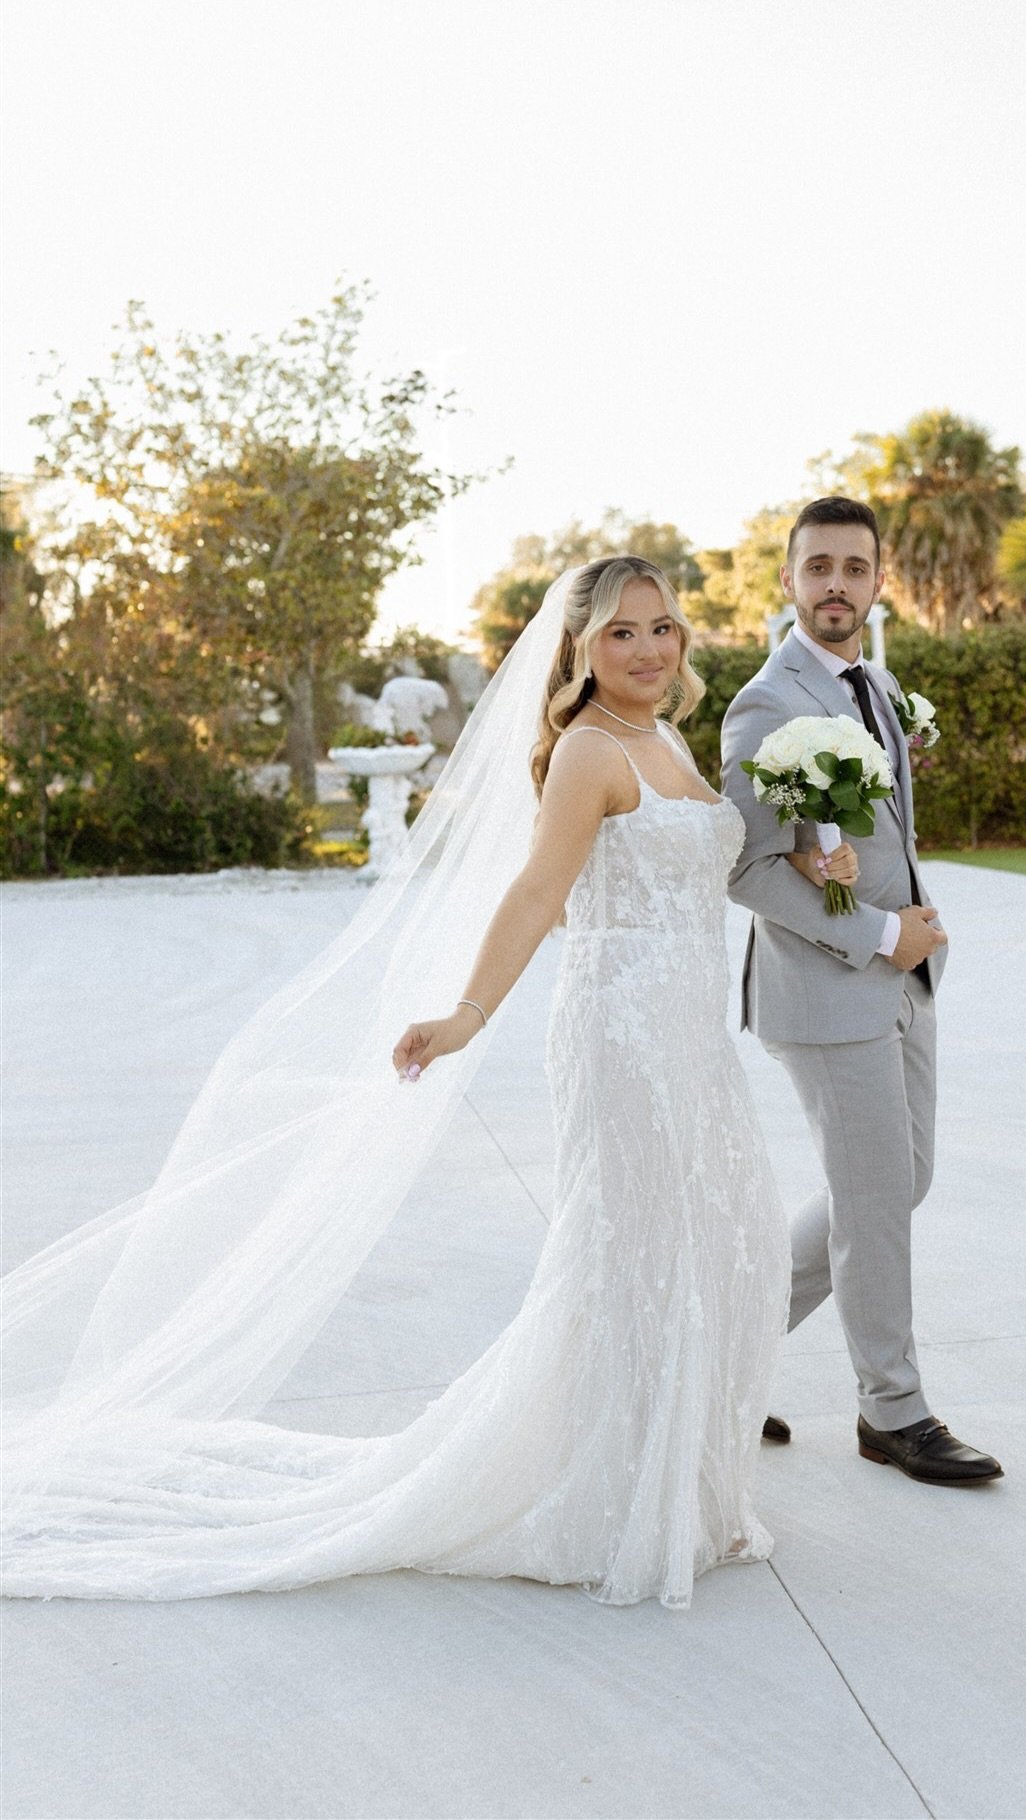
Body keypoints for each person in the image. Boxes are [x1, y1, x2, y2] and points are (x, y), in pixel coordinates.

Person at [2, 557, 855, 1610]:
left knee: (720, 1237)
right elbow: (540, 888)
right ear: (580, 649)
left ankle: (675, 1477)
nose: (648, 649)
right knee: (634, 1246)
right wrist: (467, 1012)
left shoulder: (667, 737)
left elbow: (700, 865)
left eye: (664, 628)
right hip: (622, 1024)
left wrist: (813, 860)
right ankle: (610, 1491)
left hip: (689, 1030)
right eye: (622, 633)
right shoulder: (590, 747)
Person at [721, 497, 1003, 1486]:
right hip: (828, 984)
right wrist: (881, 932)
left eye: (853, 566)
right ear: (790, 581)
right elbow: (748, 867)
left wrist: (905, 935)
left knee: (894, 1183)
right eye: (817, 567)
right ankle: (893, 1409)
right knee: (876, 1196)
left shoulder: (874, 686)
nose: (835, 583)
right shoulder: (767, 702)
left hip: (906, 976)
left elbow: (862, 839)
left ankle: (722, 1348)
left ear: (878, 580)